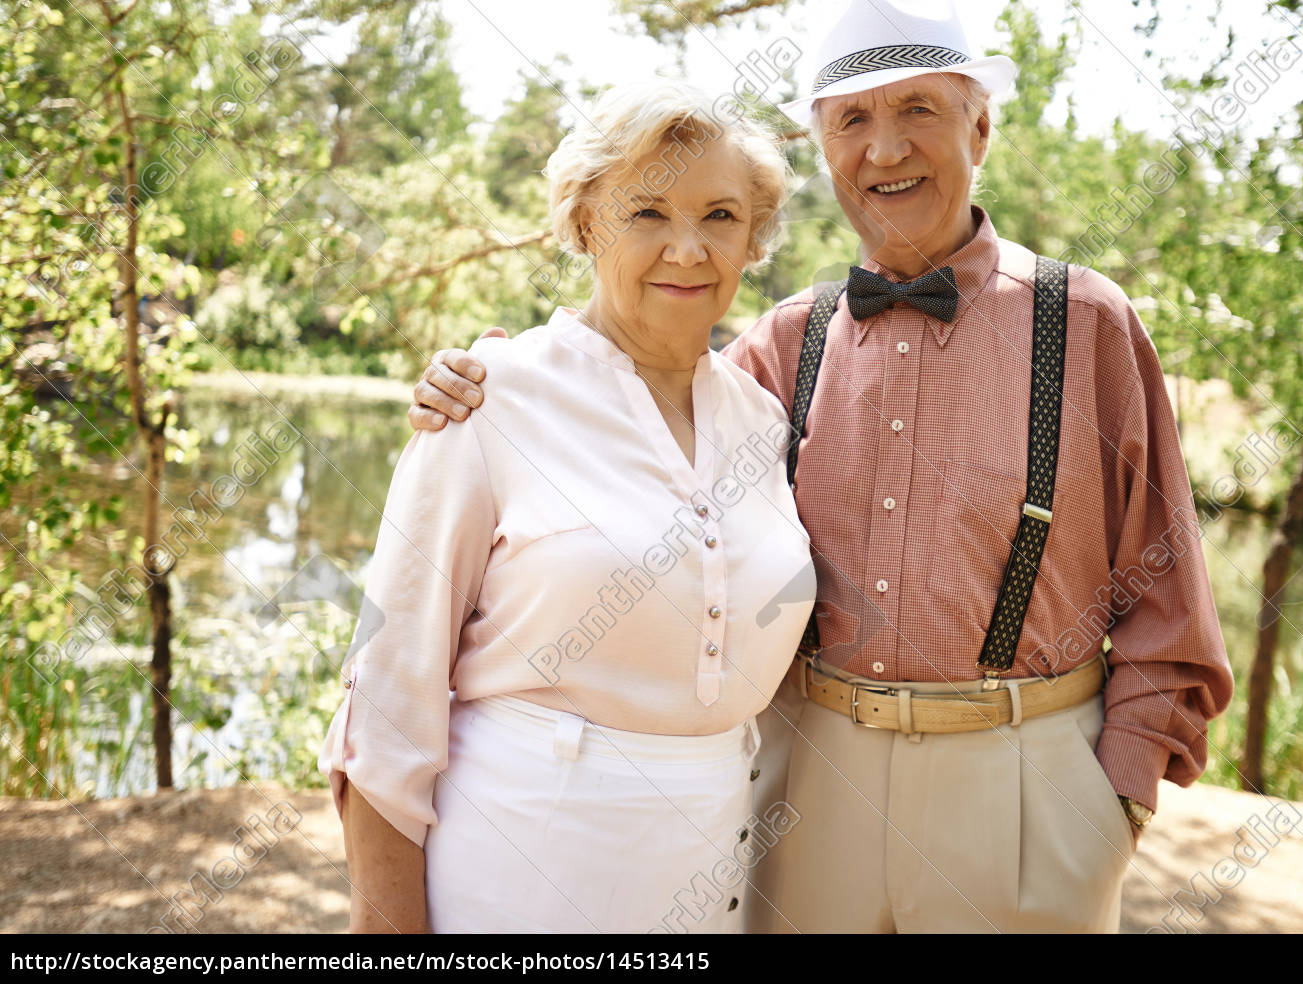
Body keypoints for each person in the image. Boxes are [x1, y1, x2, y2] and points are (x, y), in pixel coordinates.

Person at [410, 0, 1234, 933]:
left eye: (919, 109)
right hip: (811, 784)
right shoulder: (780, 347)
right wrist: (493, 373)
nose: (885, 149)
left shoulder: (1086, 324)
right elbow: (636, 401)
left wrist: (1108, 809)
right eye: (852, 120)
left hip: (1025, 795)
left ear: (981, 125)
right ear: (824, 147)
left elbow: (1170, 602)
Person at [319, 82, 815, 934]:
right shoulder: (489, 401)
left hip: (713, 877)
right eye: (647, 213)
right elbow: (390, 697)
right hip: (515, 876)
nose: (687, 250)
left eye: (720, 216)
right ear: (586, 223)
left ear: (754, 237)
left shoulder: (763, 420)